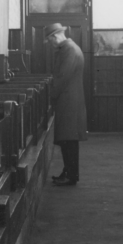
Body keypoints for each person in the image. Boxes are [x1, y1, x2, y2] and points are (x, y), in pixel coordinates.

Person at [45, 23, 86, 186]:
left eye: (49, 40)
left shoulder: (68, 50)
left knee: (68, 139)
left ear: (54, 37)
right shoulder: (71, 47)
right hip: (70, 100)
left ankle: (70, 175)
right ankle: (69, 171)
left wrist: (49, 96)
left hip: (67, 101)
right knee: (68, 139)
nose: (50, 44)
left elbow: (62, 77)